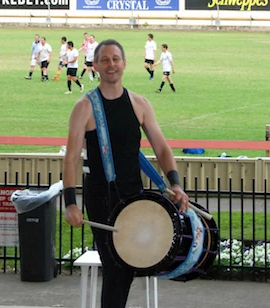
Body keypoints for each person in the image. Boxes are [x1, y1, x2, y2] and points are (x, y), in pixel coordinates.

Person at [63, 40, 190, 308]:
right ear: (95, 65)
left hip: (135, 196)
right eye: (105, 60)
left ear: (124, 63)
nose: (111, 65)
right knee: (116, 269)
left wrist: (175, 184)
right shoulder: (84, 108)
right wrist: (70, 203)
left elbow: (163, 148)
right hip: (102, 199)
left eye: (116, 59)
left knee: (127, 269)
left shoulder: (139, 104)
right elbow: (71, 157)